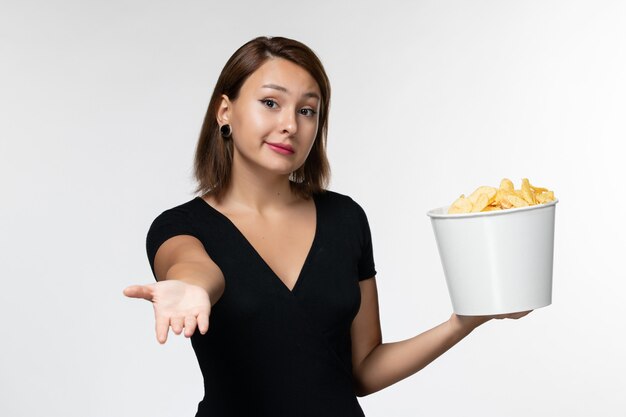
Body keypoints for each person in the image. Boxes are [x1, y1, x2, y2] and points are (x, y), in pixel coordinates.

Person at [123, 36, 530, 417]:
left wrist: (465, 320)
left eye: (307, 110)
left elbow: (364, 370)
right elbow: (193, 267)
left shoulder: (345, 218)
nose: (290, 125)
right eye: (270, 103)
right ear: (224, 110)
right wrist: (192, 288)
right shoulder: (179, 226)